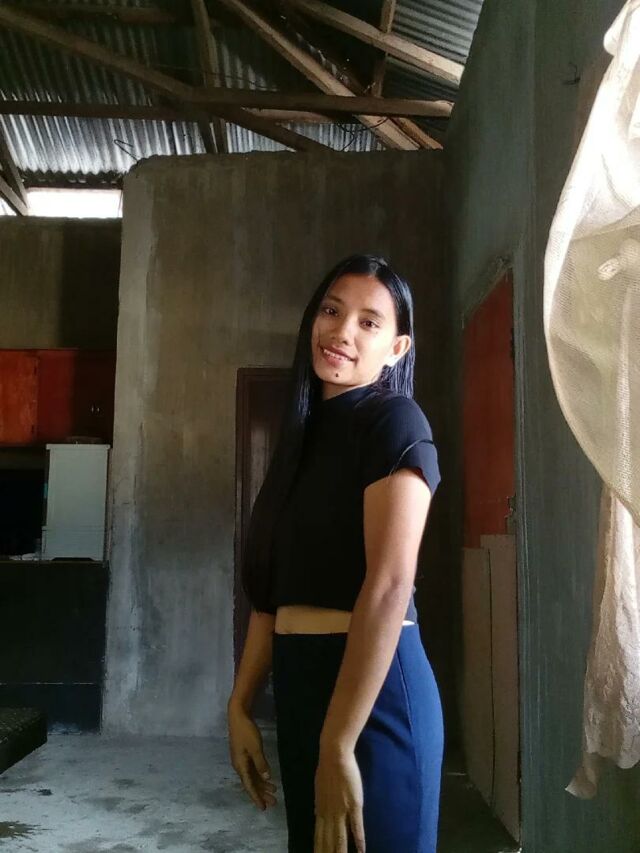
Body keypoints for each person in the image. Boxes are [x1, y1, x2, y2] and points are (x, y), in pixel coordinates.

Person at [227, 254, 444, 853]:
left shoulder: (395, 421)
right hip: (302, 688)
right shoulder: (299, 441)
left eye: (368, 322)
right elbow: (272, 596)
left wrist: (339, 740)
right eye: (331, 310)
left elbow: (390, 585)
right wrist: (240, 704)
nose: (342, 331)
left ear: (396, 348)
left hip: (376, 696)